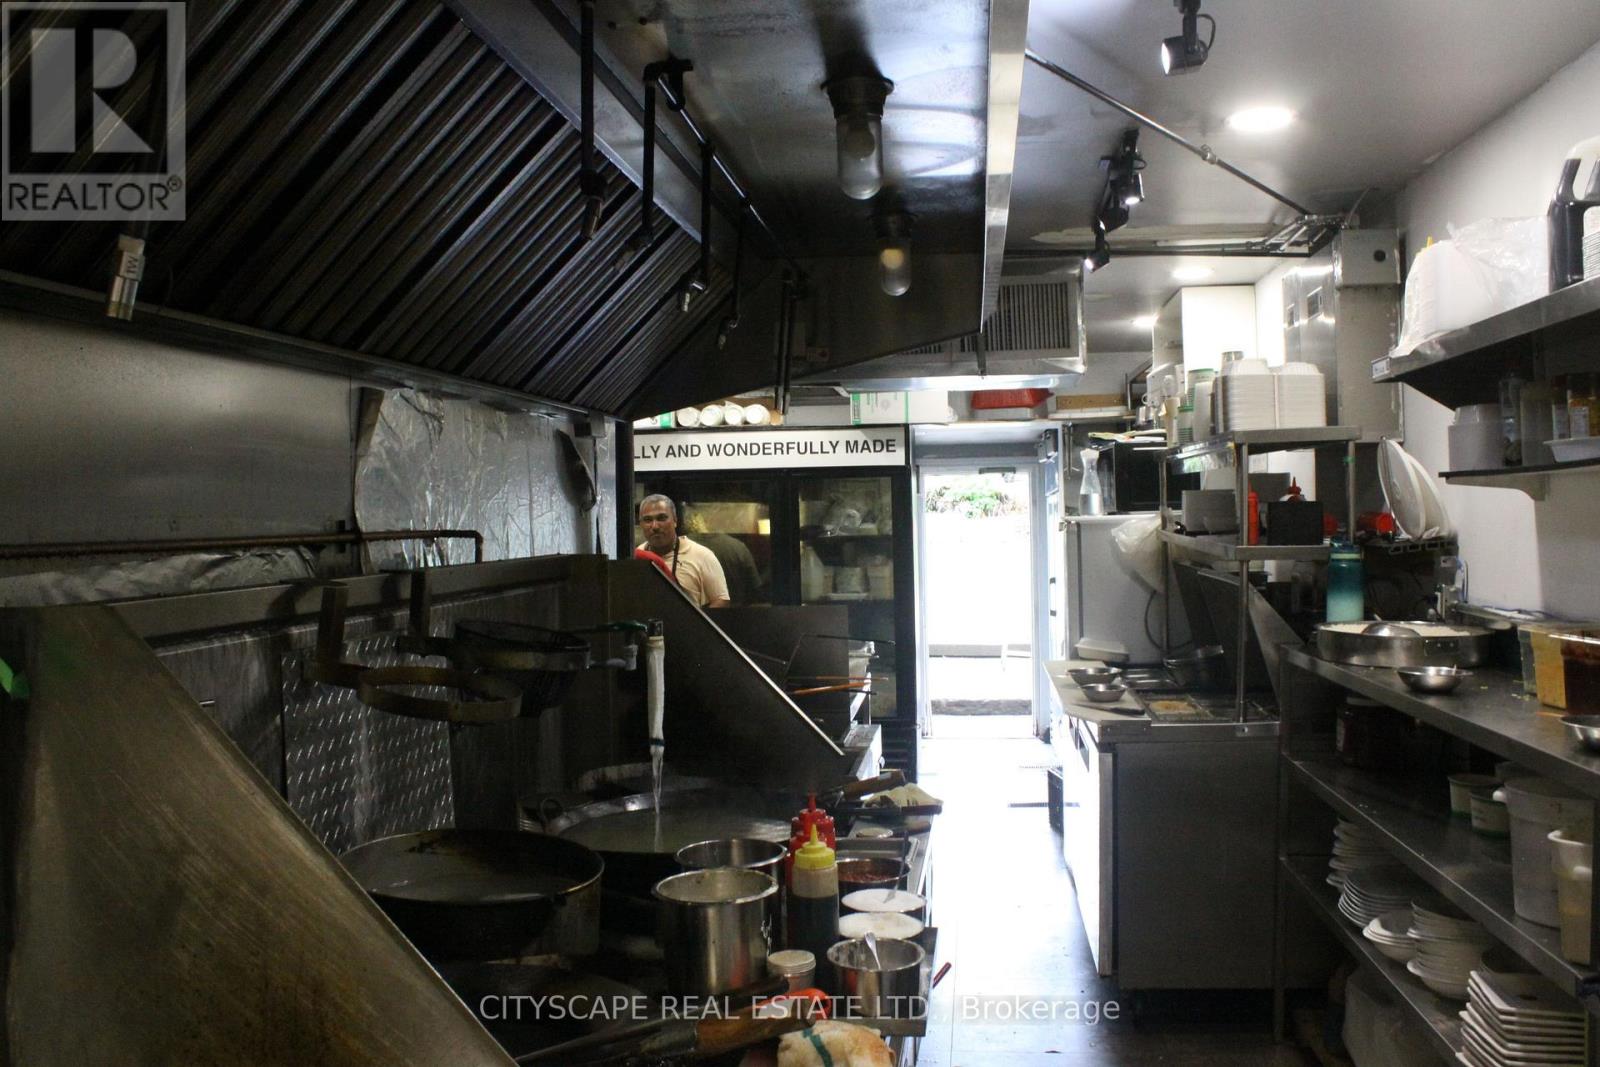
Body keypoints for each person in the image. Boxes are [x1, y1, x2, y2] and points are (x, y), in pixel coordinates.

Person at [636, 494, 730, 609]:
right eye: (647, 520)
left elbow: (721, 600)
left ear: (675, 521)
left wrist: (694, 620)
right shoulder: (636, 557)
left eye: (662, 518)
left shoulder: (702, 555)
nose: (655, 526)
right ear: (640, 524)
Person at [683, 511, 764, 604]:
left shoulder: (680, 548)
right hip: (734, 611)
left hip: (690, 611)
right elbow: (755, 591)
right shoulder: (738, 547)